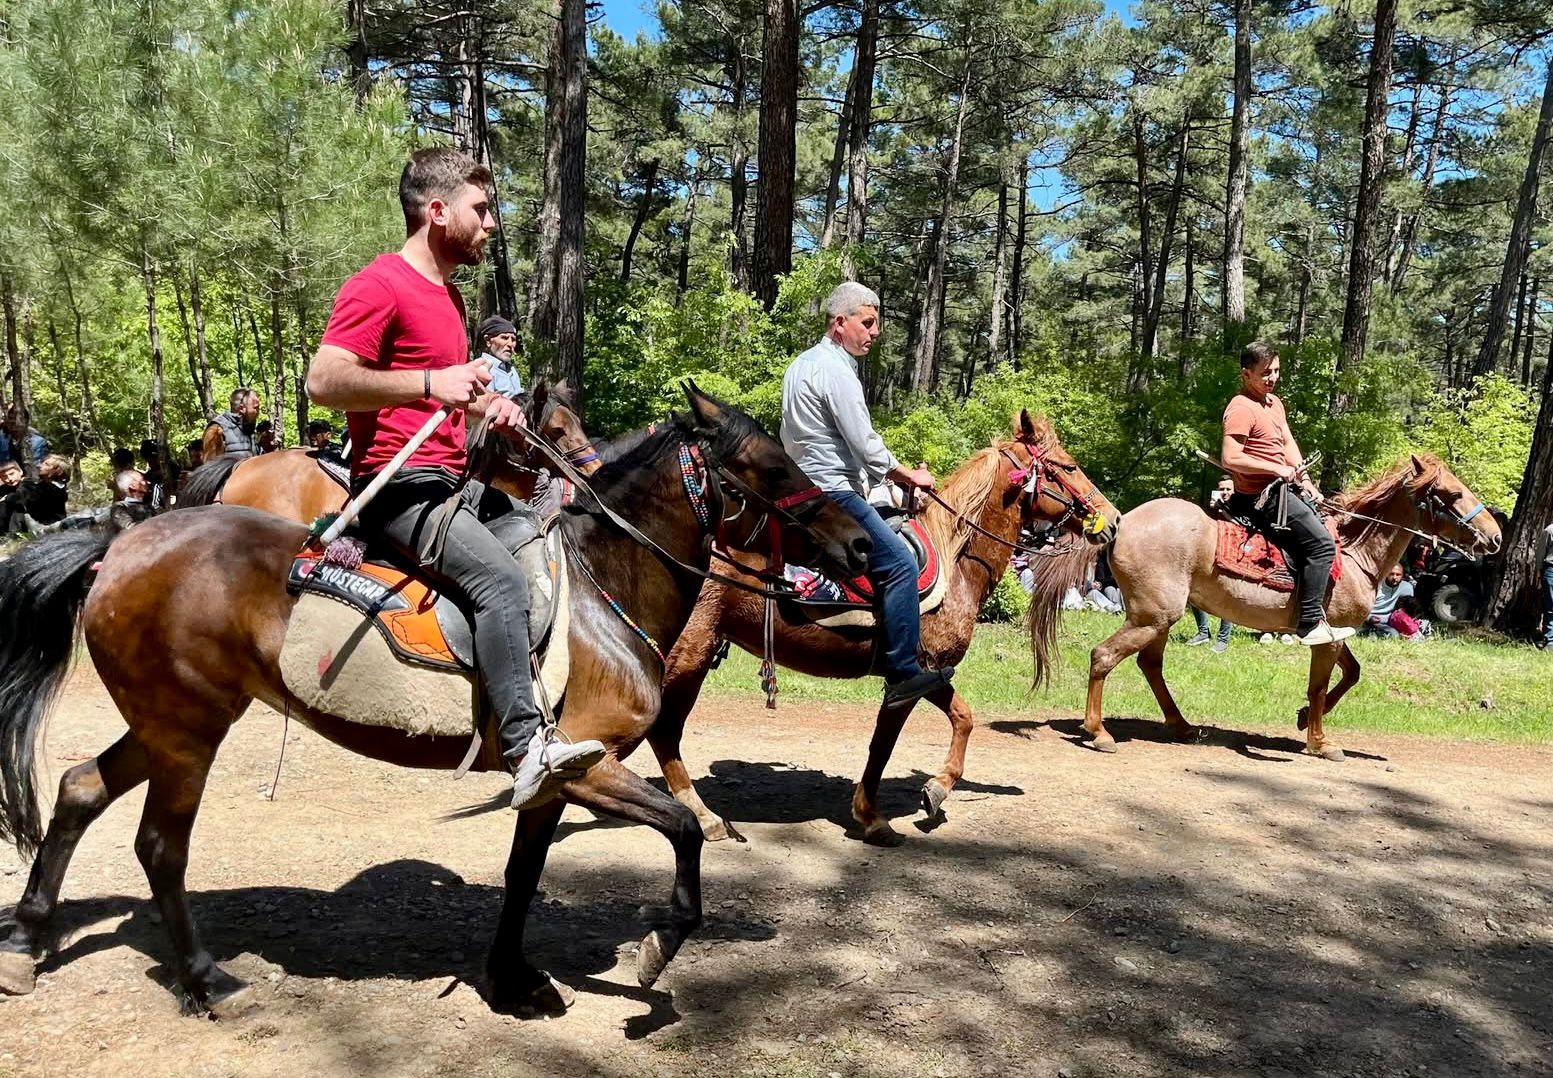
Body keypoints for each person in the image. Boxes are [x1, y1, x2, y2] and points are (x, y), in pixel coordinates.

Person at [306, 145, 605, 809]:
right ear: (437, 211)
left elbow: (444, 391)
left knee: (536, 530)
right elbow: (323, 382)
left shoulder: (445, 296)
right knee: (497, 579)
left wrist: (483, 403)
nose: (492, 222)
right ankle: (526, 750)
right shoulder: (379, 284)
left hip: (451, 479)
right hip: (398, 485)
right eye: (481, 208)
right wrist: (431, 382)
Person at [781, 281, 952, 708]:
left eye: (876, 324)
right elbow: (864, 443)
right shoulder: (837, 371)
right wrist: (908, 475)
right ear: (840, 322)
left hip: (802, 489)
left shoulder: (801, 364)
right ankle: (902, 671)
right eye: (868, 322)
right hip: (834, 492)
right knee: (898, 565)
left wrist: (885, 484)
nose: (874, 332)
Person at [1220, 341, 1353, 647]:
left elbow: (1288, 445)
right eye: (1266, 372)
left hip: (1284, 489)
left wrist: (1307, 482)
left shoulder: (1273, 403)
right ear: (1246, 373)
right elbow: (1231, 458)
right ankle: (1308, 624)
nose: (1273, 377)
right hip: (1261, 496)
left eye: (1276, 370)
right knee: (1321, 546)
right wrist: (1276, 469)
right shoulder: (1240, 408)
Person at [1188, 478, 1235, 651]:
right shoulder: (1214, 507)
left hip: (1232, 556)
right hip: (1211, 554)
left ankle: (1223, 638)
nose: (1225, 492)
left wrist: (1224, 509)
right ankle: (1203, 632)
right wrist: (1211, 510)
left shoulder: (1240, 506)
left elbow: (1239, 525)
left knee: (1228, 595)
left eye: (1229, 489)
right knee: (1194, 590)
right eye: (1222, 489)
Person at [1363, 564, 1426, 640]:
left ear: (1403, 576)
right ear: (1386, 574)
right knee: (1393, 634)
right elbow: (1362, 607)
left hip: (1392, 621)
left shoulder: (1407, 587)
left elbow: (1409, 609)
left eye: (1398, 574)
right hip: (1372, 620)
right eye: (1391, 574)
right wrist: (1369, 618)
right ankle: (1368, 632)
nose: (1394, 577)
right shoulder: (1376, 586)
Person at [475, 315, 524, 401]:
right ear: (488, 341)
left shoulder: (511, 370)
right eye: (504, 338)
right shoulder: (483, 369)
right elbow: (484, 405)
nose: (510, 344)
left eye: (513, 339)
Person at [204, 388, 263, 460]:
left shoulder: (248, 428)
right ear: (242, 408)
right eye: (256, 408)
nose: (258, 412)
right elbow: (211, 467)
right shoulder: (217, 430)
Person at [1540, 520, 1553, 651]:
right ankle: (1549, 641)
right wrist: (1540, 569)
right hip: (1551, 570)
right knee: (1551, 606)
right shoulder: (1550, 530)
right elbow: (1541, 551)